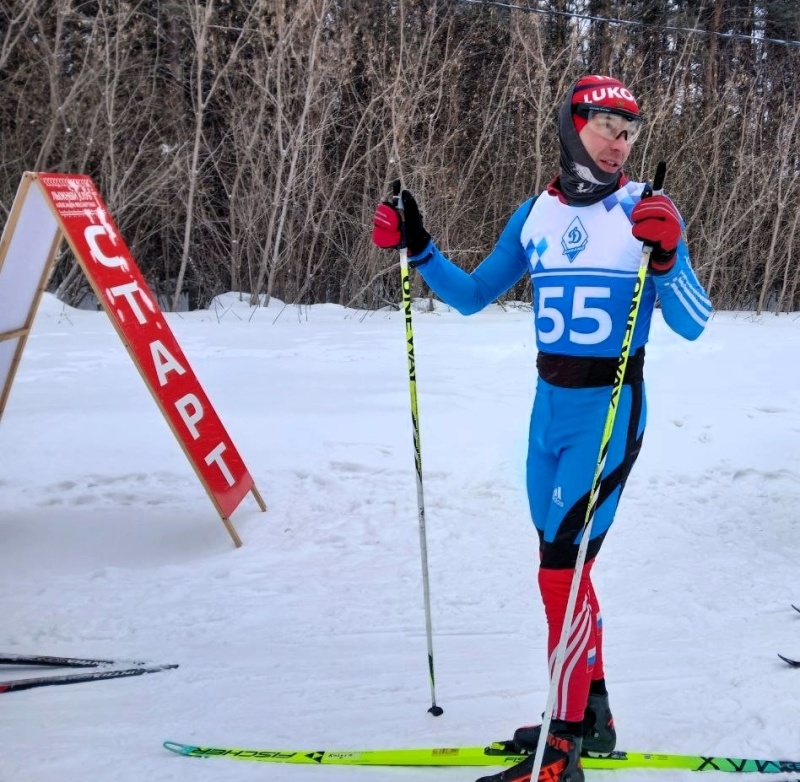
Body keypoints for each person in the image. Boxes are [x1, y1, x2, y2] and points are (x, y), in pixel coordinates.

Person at [372, 75, 712, 782]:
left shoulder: (647, 210)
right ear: (572, 124)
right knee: (568, 571)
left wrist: (671, 256)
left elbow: (693, 322)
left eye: (630, 130)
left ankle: (560, 752)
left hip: (610, 412)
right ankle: (594, 713)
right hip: (547, 412)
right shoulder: (536, 214)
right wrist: (420, 244)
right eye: (606, 125)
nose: (620, 141)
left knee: (558, 575)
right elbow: (470, 297)